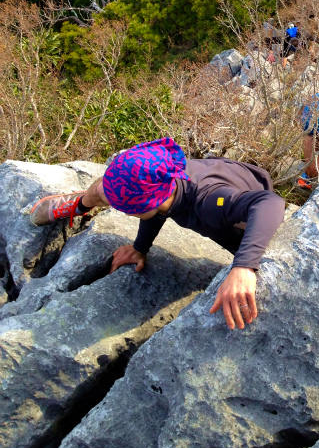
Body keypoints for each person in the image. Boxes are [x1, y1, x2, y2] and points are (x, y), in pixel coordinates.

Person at [29, 138, 285, 330]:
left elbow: (269, 203)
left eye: (127, 209)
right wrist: (140, 247)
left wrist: (243, 267)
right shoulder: (164, 177)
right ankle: (80, 203)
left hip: (247, 223)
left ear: (141, 209)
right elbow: (158, 209)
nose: (125, 214)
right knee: (105, 190)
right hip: (229, 178)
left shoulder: (207, 203)